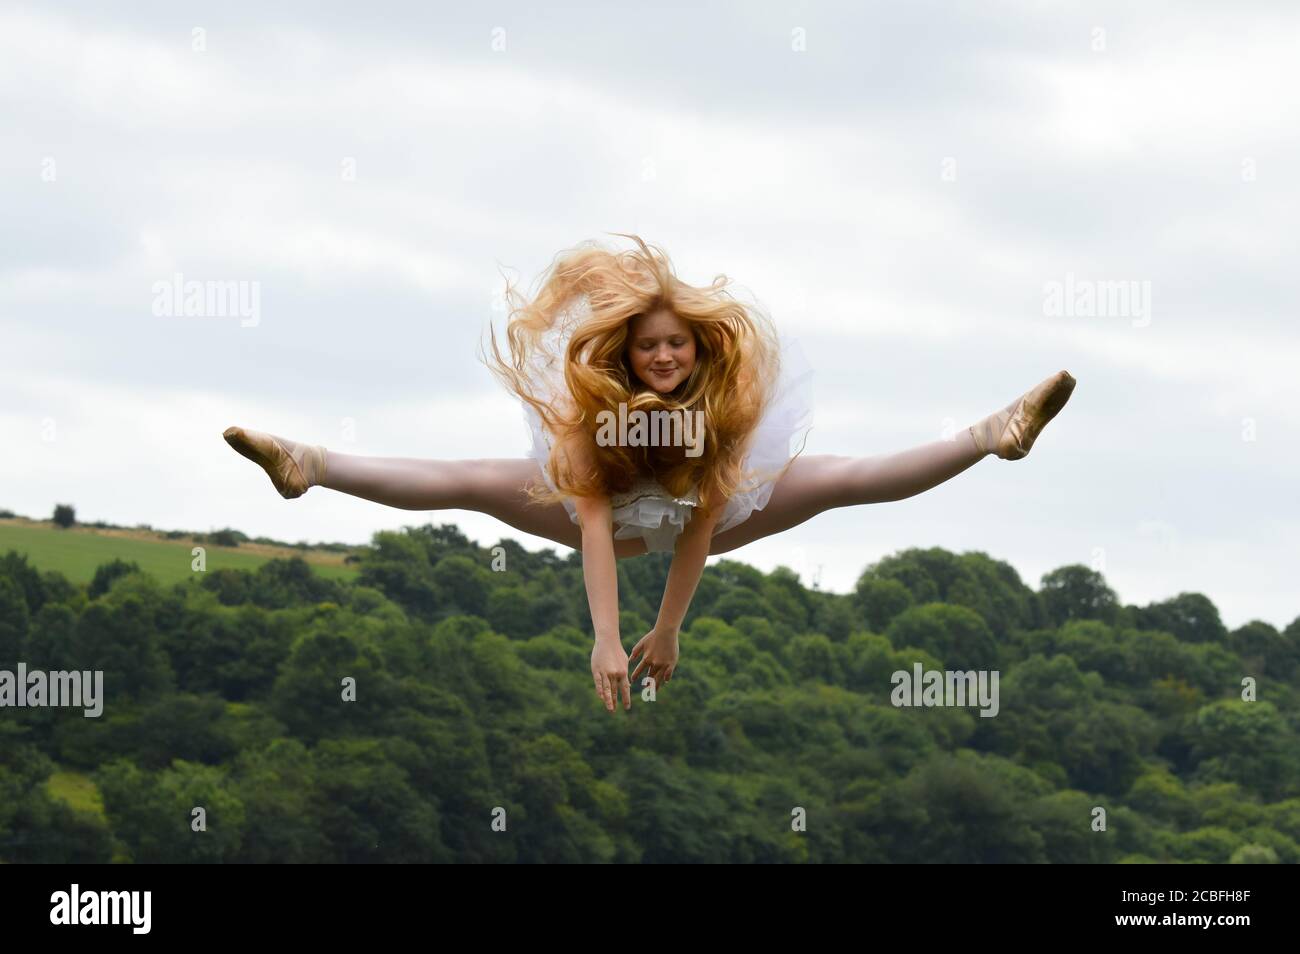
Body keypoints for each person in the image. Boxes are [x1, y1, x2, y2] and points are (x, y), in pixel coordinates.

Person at [223, 234, 1076, 716]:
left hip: (710, 515)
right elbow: (595, 525)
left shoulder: (720, 411)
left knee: (839, 477)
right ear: (625, 354)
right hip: (611, 516)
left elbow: (702, 523)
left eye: (677, 344)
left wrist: (667, 630)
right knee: (468, 477)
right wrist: (605, 635)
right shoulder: (596, 411)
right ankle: (311, 463)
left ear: (698, 349)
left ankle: (991, 434)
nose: (664, 355)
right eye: (648, 345)